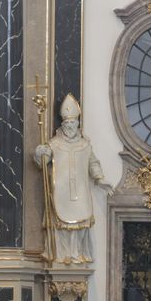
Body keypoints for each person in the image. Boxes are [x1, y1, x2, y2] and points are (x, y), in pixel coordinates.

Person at [32, 94, 112, 264]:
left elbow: (93, 163)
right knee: (61, 222)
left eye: (72, 123)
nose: (69, 126)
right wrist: (41, 153)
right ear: (63, 124)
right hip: (61, 190)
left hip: (80, 191)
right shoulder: (54, 144)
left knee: (79, 223)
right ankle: (62, 254)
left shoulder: (85, 145)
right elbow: (42, 163)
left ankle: (76, 253)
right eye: (66, 123)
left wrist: (99, 178)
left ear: (77, 124)